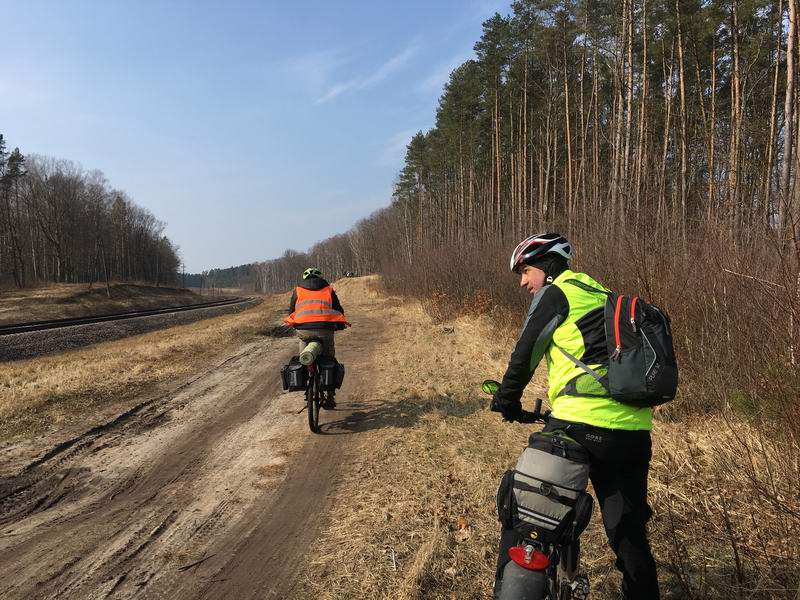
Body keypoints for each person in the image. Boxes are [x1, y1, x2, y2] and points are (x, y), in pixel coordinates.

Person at [490, 233, 659, 600]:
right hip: (633, 433)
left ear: (548, 268)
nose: (523, 282)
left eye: (526, 271)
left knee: (522, 512)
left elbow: (525, 354)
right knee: (629, 538)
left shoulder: (557, 294)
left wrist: (506, 401)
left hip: (576, 428)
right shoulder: (604, 295)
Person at [285, 267, 349, 407]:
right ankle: (330, 396)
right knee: (329, 359)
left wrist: (296, 324)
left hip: (304, 331)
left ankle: (307, 385)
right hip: (325, 330)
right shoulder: (328, 290)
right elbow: (338, 310)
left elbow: (291, 311)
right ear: (320, 278)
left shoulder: (298, 290)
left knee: (304, 358)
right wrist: (339, 325)